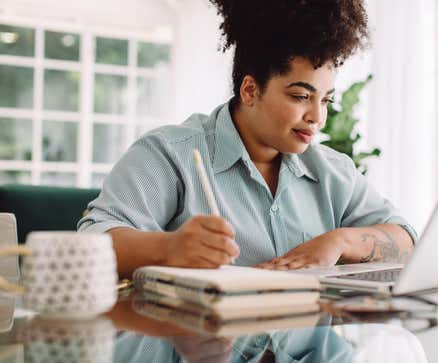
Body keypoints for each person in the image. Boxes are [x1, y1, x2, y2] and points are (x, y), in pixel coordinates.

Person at [78, 0, 417, 278]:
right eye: (301, 96)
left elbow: (406, 240)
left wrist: (339, 241)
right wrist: (169, 248)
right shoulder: (170, 154)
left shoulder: (332, 172)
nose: (317, 116)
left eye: (326, 99)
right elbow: (90, 244)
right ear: (251, 90)